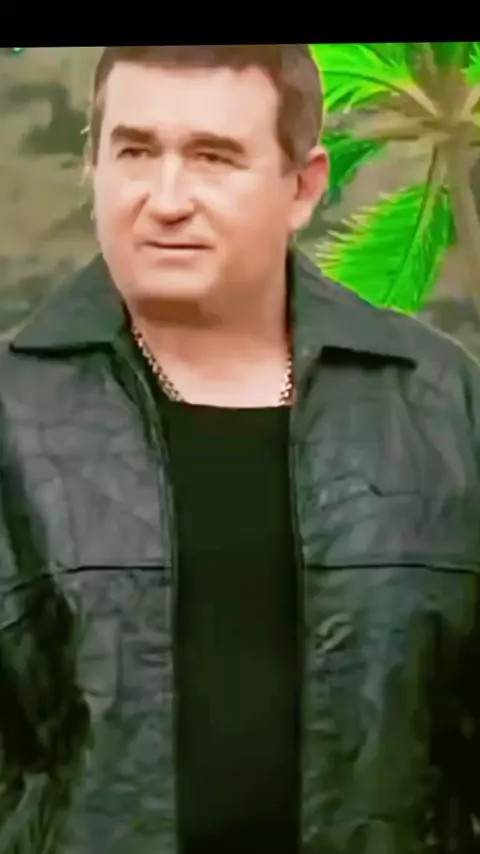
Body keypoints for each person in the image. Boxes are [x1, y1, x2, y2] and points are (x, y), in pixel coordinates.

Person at [0, 44, 479, 854]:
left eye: (213, 158)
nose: (166, 200)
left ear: (303, 187)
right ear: (94, 165)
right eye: (135, 151)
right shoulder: (12, 413)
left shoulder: (437, 402)